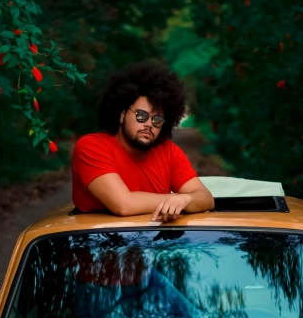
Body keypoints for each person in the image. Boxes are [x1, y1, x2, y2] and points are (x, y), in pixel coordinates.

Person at [72, 61, 215, 222]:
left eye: (157, 120)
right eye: (141, 116)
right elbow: (123, 205)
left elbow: (206, 199)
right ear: (122, 114)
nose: (149, 124)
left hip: (157, 243)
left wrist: (185, 200)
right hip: (103, 243)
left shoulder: (168, 151)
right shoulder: (92, 147)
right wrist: (173, 199)